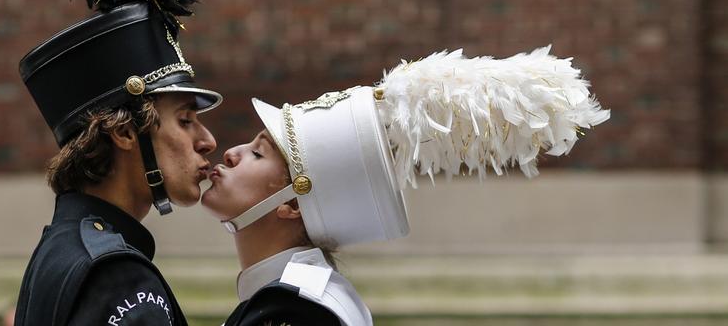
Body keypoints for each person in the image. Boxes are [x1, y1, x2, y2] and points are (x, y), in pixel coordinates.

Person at [203, 47, 611, 326]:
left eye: (258, 154)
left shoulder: (292, 309)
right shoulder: (292, 299)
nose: (232, 153)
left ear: (291, 203)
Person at [11, 0, 223, 326]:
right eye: (186, 120)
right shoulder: (120, 277)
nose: (208, 140)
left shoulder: (65, 246)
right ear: (125, 131)